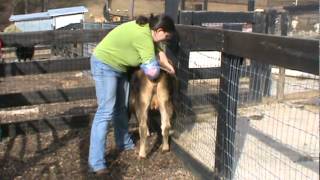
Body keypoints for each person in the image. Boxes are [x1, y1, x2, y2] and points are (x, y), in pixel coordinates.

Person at [88, 14, 176, 175]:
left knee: (123, 107)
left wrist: (160, 55)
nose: (166, 40)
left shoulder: (147, 31)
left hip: (119, 67)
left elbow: (155, 51)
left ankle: (124, 142)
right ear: (159, 30)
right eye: (166, 36)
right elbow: (152, 72)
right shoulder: (143, 37)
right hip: (105, 64)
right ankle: (96, 162)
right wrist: (165, 66)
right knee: (105, 111)